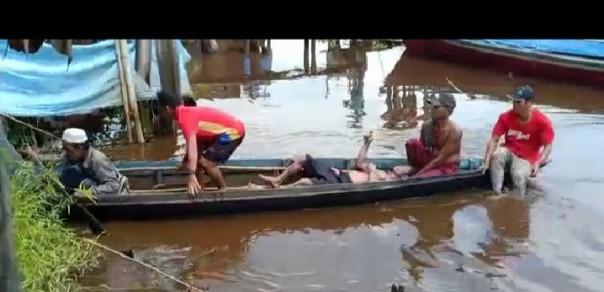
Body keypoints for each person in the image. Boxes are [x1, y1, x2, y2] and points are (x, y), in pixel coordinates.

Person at [155, 91, 246, 195]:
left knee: (206, 163)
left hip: (233, 132)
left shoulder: (185, 118)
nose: (163, 115)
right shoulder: (185, 113)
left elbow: (192, 145)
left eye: (162, 111)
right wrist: (185, 161)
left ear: (167, 109)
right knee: (197, 161)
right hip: (223, 132)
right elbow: (197, 142)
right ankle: (200, 189)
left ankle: (223, 190)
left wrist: (191, 174)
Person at [255, 131, 407, 188]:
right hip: (338, 173)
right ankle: (279, 180)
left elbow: (371, 184)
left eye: (398, 171)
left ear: (401, 177)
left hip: (342, 182)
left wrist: (373, 170)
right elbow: (360, 162)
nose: (396, 169)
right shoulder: (380, 171)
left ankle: (283, 190)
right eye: (396, 169)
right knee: (302, 159)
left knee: (303, 182)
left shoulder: (386, 181)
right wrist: (367, 142)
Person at [482, 85, 554, 197]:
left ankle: (517, 201)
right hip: (509, 150)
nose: (514, 104)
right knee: (497, 155)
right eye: (513, 101)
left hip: (527, 157)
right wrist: (486, 162)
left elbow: (548, 146)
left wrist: (538, 162)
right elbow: (494, 140)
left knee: (518, 175)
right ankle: (496, 193)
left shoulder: (542, 121)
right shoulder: (506, 117)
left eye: (518, 102)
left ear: (528, 103)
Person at [26, 128, 129, 197]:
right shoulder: (72, 155)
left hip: (114, 194)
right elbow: (56, 159)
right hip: (89, 186)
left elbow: (114, 186)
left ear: (79, 147)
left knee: (81, 179)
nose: (65, 153)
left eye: (68, 149)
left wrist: (88, 193)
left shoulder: (98, 160)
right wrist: (36, 157)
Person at [399, 92, 463, 178]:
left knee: (422, 177)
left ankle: (419, 173)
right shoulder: (427, 126)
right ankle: (414, 168)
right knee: (412, 143)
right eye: (432, 106)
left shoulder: (454, 131)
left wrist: (417, 175)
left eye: (436, 107)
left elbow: (441, 160)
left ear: (448, 110)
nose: (432, 109)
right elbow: (423, 148)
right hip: (431, 159)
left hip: (446, 165)